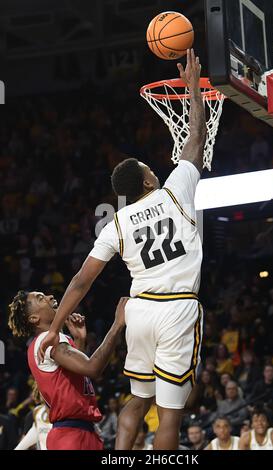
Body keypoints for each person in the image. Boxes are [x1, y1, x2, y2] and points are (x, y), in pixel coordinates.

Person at [37, 48, 207, 451]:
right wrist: (194, 90)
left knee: (139, 398)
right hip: (175, 307)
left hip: (138, 311)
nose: (155, 169)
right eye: (151, 168)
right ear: (148, 181)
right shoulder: (174, 191)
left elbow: (80, 280)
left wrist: (56, 327)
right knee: (170, 413)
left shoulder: (114, 222)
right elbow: (196, 139)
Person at [8, 290, 127, 450]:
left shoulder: (58, 342)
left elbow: (75, 380)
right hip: (70, 435)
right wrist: (117, 325)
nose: (50, 297)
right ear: (34, 318)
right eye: (40, 298)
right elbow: (93, 368)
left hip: (83, 431)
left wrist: (79, 340)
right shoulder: (45, 340)